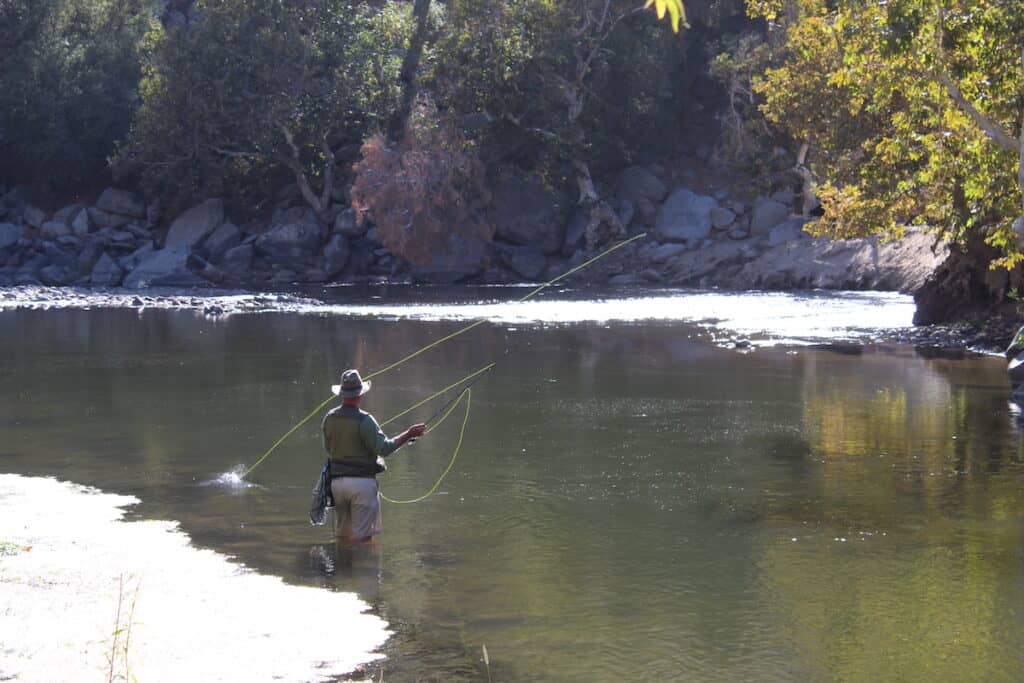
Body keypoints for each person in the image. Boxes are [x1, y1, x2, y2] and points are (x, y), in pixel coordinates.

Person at [322, 368, 425, 543]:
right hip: (362, 485)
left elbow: (328, 449)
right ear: (360, 395)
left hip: (336, 485)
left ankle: (342, 568)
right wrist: (409, 434)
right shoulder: (365, 420)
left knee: (343, 538)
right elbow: (384, 448)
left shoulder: (329, 418)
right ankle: (362, 568)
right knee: (361, 539)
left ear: (342, 394)